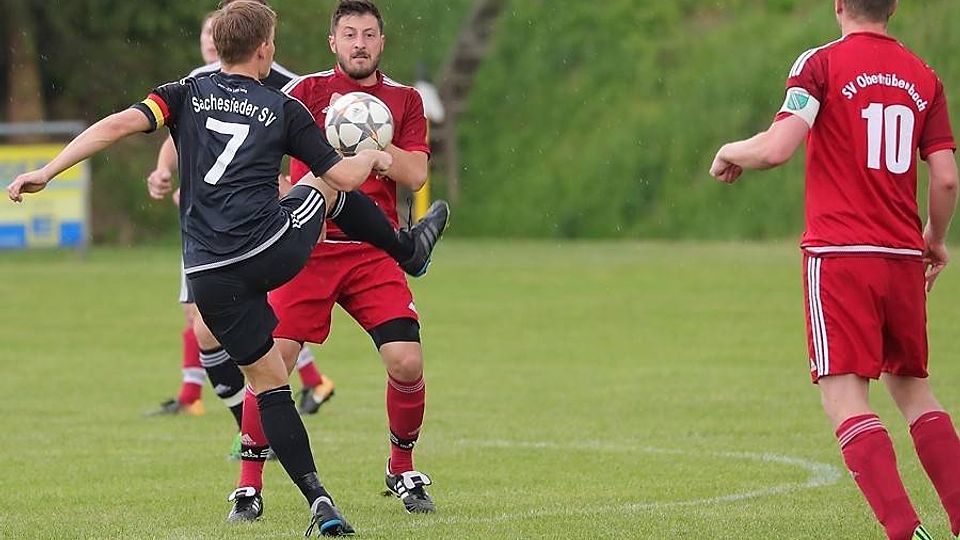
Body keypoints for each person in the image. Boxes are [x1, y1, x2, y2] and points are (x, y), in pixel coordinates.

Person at [8, 2, 446, 535]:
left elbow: (117, 124)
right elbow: (346, 179)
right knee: (325, 189)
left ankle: (318, 496)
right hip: (274, 250)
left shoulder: (184, 94)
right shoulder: (282, 106)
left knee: (268, 377)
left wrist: (48, 170)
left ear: (217, 47)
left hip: (209, 273)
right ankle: (408, 251)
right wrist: (372, 156)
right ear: (265, 50)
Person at [710, 1, 960, 538]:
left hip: (842, 255)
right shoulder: (924, 77)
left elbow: (777, 149)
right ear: (893, 7)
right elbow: (945, 178)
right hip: (902, 258)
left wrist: (729, 149)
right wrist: (935, 240)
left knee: (844, 397)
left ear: (839, 4)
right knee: (914, 391)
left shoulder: (820, 64)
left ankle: (905, 532)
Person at [225, 0, 444, 521]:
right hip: (307, 250)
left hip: (373, 254)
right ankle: (248, 485)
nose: (359, 44)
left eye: (368, 34)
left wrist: (378, 152)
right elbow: (262, 157)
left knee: (406, 361)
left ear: (381, 42)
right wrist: (284, 195)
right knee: (271, 362)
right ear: (333, 42)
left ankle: (401, 468)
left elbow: (416, 174)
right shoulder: (305, 93)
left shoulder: (405, 100)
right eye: (350, 34)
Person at [145, 5, 335, 436]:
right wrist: (164, 170)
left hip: (250, 225)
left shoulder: (278, 80)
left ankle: (250, 420)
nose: (209, 43)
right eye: (205, 35)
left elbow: (300, 127)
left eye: (214, 34)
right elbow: (178, 131)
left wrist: (292, 184)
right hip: (206, 224)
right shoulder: (195, 84)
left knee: (226, 321)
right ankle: (246, 416)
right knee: (209, 321)